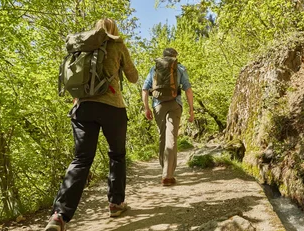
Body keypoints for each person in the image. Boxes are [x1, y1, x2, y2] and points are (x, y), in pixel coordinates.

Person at [44, 18, 138, 231]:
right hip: (113, 107)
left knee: (81, 159)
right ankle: (116, 203)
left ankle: (59, 216)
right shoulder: (117, 44)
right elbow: (133, 77)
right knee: (117, 155)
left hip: (83, 108)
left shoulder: (82, 46)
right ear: (114, 30)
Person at [142, 48, 194, 186]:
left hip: (158, 105)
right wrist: (191, 110)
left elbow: (145, 89)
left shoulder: (154, 69)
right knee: (172, 137)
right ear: (175, 57)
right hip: (175, 104)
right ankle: (168, 175)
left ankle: (164, 170)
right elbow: (188, 89)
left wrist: (146, 108)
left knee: (162, 137)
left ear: (163, 57)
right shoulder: (180, 68)